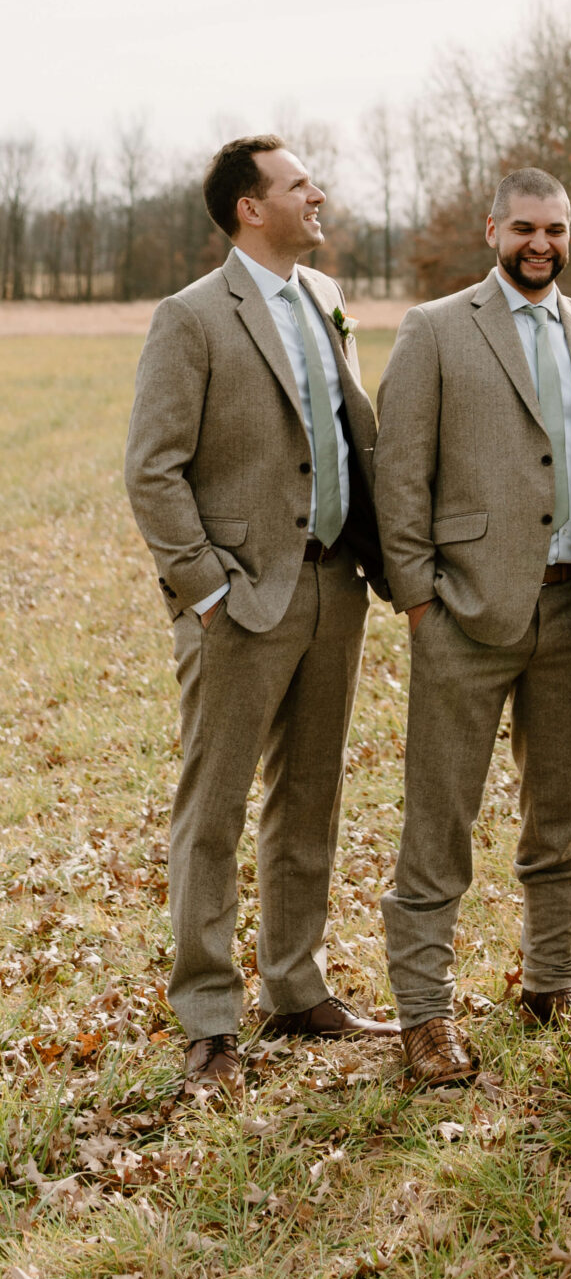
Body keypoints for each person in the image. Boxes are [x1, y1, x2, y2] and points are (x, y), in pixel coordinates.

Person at [124, 137, 396, 1103]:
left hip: (334, 587)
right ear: (249, 207)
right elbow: (151, 468)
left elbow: (352, 438)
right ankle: (207, 1015)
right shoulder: (191, 318)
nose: (315, 193)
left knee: (310, 794)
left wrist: (385, 560)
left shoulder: (324, 300)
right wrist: (205, 589)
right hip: (238, 600)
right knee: (215, 809)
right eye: (296, 185)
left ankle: (295, 986)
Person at [374, 169, 571, 1086]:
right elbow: (397, 471)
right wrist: (418, 599)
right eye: (524, 226)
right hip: (465, 611)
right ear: (492, 229)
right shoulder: (437, 330)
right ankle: (424, 1015)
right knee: (438, 819)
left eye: (556, 229)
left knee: (559, 813)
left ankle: (554, 983)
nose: (541, 243)